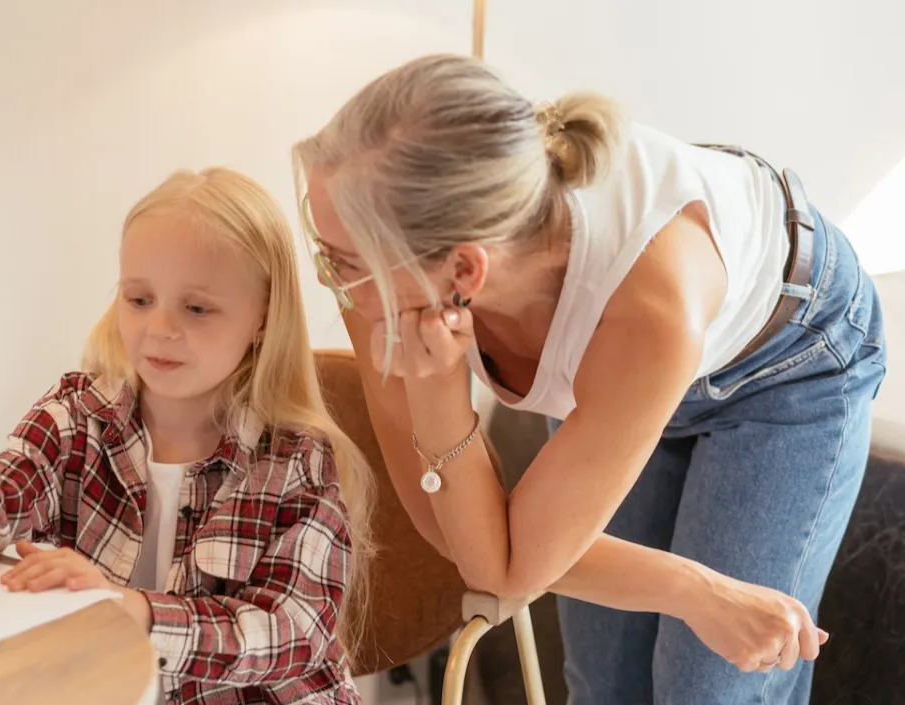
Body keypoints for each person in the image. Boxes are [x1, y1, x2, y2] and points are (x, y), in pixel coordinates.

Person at [291, 53, 886, 705]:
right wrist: (694, 586)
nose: (333, 281)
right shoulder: (379, 275)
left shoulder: (649, 307)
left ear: (464, 271)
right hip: (628, 368)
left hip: (790, 361)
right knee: (604, 686)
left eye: (344, 262)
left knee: (707, 689)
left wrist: (698, 596)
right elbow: (478, 552)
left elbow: (509, 558)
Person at [0, 168, 375, 705]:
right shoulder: (78, 415)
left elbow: (294, 630)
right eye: (139, 299)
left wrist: (125, 608)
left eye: (197, 309)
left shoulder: (295, 459)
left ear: (262, 317)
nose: (159, 329)